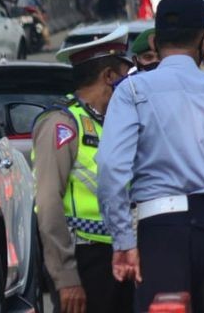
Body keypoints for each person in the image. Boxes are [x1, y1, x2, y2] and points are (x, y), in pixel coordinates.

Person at [95, 0, 204, 312]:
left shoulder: (132, 92)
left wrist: (123, 240)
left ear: (155, 41)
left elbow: (111, 168)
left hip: (160, 235)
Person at [33, 26, 136, 313]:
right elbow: (48, 203)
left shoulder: (112, 123)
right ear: (109, 77)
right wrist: (66, 277)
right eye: (125, 76)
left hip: (119, 255)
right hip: (82, 259)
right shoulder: (62, 123)